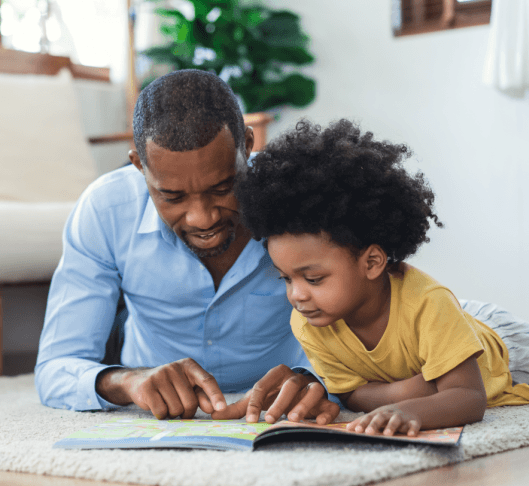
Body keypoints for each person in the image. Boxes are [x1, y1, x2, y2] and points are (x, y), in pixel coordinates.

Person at [232, 118, 529, 435]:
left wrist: (415, 410)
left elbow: (470, 397)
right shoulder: (309, 322)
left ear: (372, 262)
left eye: (314, 279)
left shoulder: (427, 303)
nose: (297, 295)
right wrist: (406, 392)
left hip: (507, 349)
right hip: (453, 326)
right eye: (286, 279)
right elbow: (350, 393)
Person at [34, 69, 340, 423]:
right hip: (150, 391)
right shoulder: (105, 210)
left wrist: (315, 379)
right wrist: (128, 380)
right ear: (139, 167)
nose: (202, 218)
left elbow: (367, 325)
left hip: (276, 405)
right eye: (172, 196)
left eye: (223, 188)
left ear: (248, 146)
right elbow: (56, 367)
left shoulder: (303, 203)